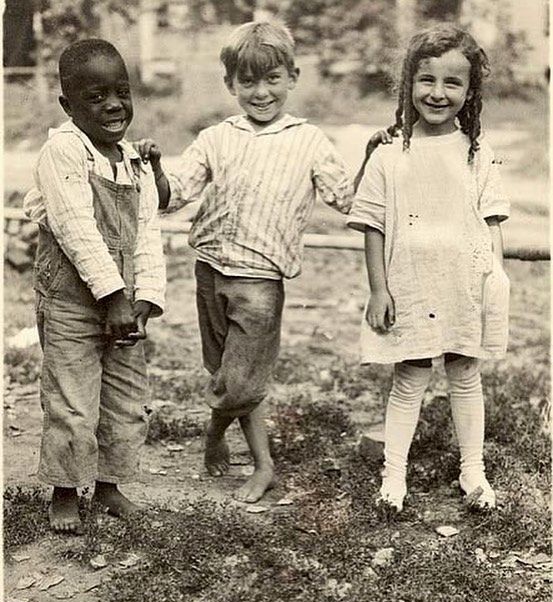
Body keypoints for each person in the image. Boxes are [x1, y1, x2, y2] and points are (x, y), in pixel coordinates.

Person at [137, 21, 378, 503]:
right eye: (248, 81)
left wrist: (371, 156)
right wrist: (156, 166)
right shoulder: (215, 138)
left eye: (272, 79)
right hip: (209, 268)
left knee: (242, 380)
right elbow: (173, 196)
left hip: (261, 281)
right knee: (222, 370)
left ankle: (248, 456)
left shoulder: (308, 140)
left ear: (292, 77)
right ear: (231, 84)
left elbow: (348, 199)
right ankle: (231, 436)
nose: (260, 92)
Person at [347, 25, 510, 511]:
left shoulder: (477, 154)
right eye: (427, 80)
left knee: (465, 374)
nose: (438, 93)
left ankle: (473, 474)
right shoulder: (389, 155)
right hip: (410, 285)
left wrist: (494, 282)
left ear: (470, 91)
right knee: (410, 376)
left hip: (463, 285)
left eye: (452, 83)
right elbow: (372, 226)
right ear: (408, 84)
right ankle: (393, 478)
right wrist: (380, 291)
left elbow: (491, 224)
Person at [23, 39, 166, 532]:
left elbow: (147, 230)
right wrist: (112, 297)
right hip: (73, 302)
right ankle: (65, 489)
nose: (113, 105)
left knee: (125, 398)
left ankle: (108, 485)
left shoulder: (132, 160)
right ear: (67, 105)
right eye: (96, 96)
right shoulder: (62, 151)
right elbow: (75, 229)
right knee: (72, 400)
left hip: (123, 304)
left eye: (121, 92)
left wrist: (145, 297)